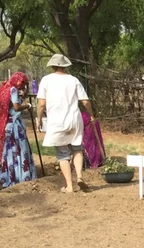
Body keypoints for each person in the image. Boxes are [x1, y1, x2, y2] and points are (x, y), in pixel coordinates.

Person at [36, 54, 97, 193]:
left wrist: (39, 119)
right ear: (65, 66)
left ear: (52, 66)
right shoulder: (73, 80)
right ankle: (80, 177)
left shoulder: (46, 80)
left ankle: (69, 186)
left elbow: (41, 104)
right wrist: (92, 115)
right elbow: (85, 101)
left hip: (57, 122)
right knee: (77, 149)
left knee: (63, 154)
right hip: (74, 119)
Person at [0, 72, 37, 188]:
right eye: (23, 84)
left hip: (8, 124)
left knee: (10, 151)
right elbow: (16, 107)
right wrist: (28, 106)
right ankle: (21, 176)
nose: (23, 86)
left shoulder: (5, 89)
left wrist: (24, 95)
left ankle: (9, 175)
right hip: (14, 125)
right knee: (20, 149)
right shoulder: (13, 90)